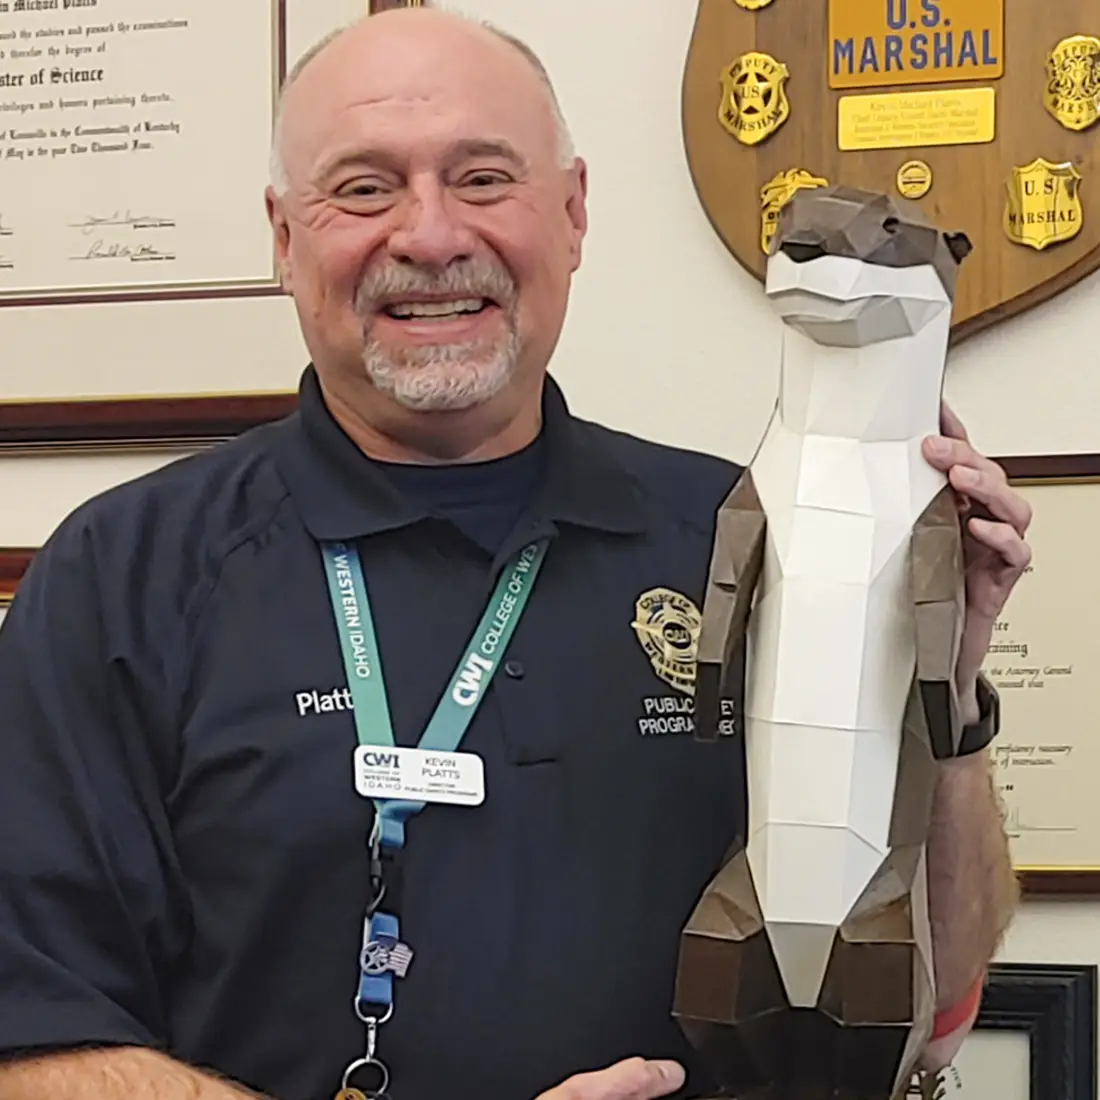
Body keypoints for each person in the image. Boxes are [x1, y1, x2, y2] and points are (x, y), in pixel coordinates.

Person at [0, 9, 1029, 1100]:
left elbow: (937, 997)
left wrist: (943, 696)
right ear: (283, 233)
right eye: (362, 188)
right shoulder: (123, 575)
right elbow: (32, 1046)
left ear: (573, 213)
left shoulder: (741, 529)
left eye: (484, 178)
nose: (432, 235)